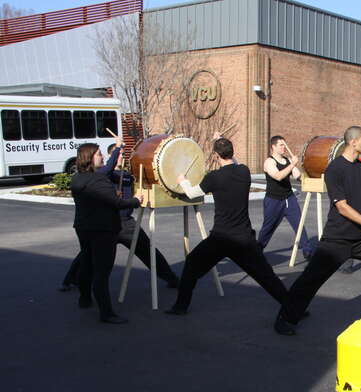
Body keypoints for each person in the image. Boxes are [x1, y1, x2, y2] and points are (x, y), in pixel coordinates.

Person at [273, 126, 361, 335]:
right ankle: (286, 318)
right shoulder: (335, 169)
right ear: (353, 142)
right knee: (311, 279)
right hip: (337, 239)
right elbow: (342, 206)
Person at [165, 137, 290, 315]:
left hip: (221, 238)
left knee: (192, 265)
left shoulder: (213, 178)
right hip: (244, 238)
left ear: (216, 156)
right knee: (267, 277)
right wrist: (220, 143)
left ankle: (180, 307)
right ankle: (294, 307)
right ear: (233, 152)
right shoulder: (244, 171)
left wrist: (182, 179)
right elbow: (234, 166)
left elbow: (192, 193)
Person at [60, 140, 179, 291]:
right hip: (107, 224)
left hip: (126, 223)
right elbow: (108, 170)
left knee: (147, 251)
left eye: (123, 155)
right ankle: (71, 280)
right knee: (87, 254)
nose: (123, 157)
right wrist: (118, 149)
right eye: (120, 155)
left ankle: (171, 278)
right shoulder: (101, 174)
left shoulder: (128, 175)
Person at [70, 143, 143, 324]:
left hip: (83, 228)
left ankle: (85, 299)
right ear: (90, 158)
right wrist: (135, 200)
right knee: (101, 272)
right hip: (102, 230)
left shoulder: (77, 179)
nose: (102, 157)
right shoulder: (98, 180)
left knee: (87, 264)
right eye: (99, 154)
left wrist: (113, 195)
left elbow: (100, 199)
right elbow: (117, 204)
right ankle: (106, 313)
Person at [257, 135, 314, 260]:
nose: (284, 147)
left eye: (284, 145)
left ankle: (307, 250)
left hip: (289, 199)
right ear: (273, 147)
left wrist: (301, 169)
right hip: (273, 200)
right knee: (268, 227)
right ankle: (257, 250)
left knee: (299, 224)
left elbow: (298, 177)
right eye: (281, 145)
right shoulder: (269, 162)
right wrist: (292, 164)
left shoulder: (288, 160)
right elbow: (278, 176)